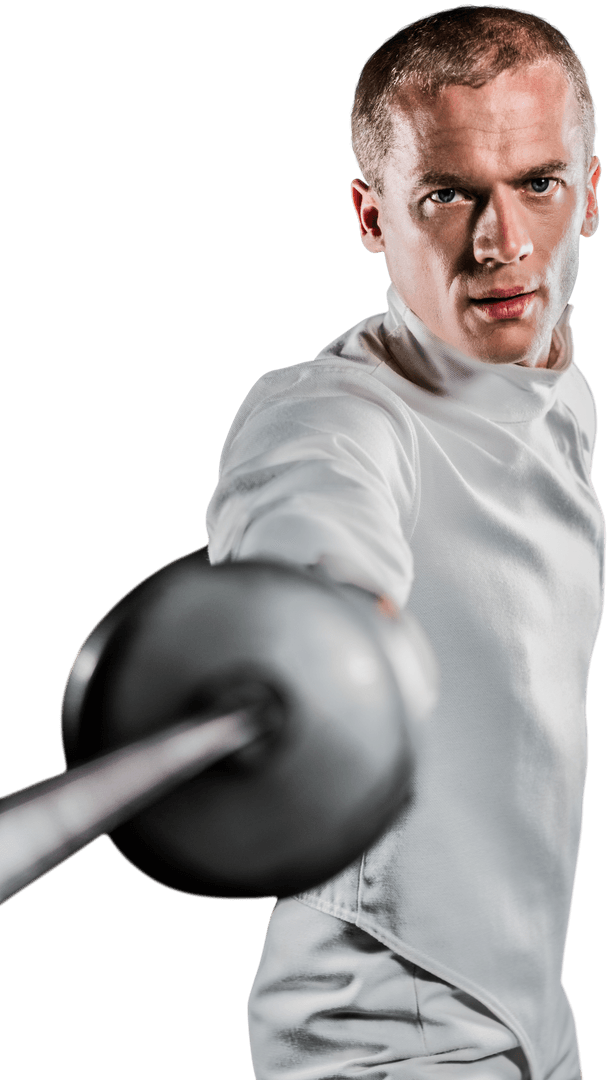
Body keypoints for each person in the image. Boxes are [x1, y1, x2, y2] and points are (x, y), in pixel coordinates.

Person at [205, 5, 604, 1078]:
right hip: (385, 1035)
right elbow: (307, 530)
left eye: (538, 184)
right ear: (372, 217)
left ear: (591, 194)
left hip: (532, 1021)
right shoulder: (333, 409)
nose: (504, 243)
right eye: (447, 196)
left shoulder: (552, 389)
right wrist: (318, 623)